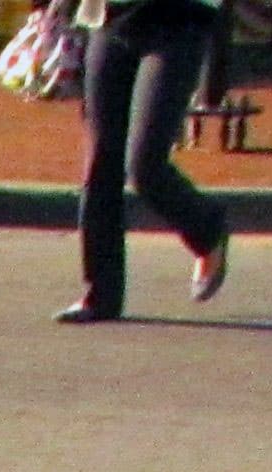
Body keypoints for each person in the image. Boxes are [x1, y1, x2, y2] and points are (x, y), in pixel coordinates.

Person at [61, 0, 235, 320]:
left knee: (145, 167)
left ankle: (208, 229)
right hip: (111, 22)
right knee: (101, 161)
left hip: (178, 25)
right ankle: (100, 295)